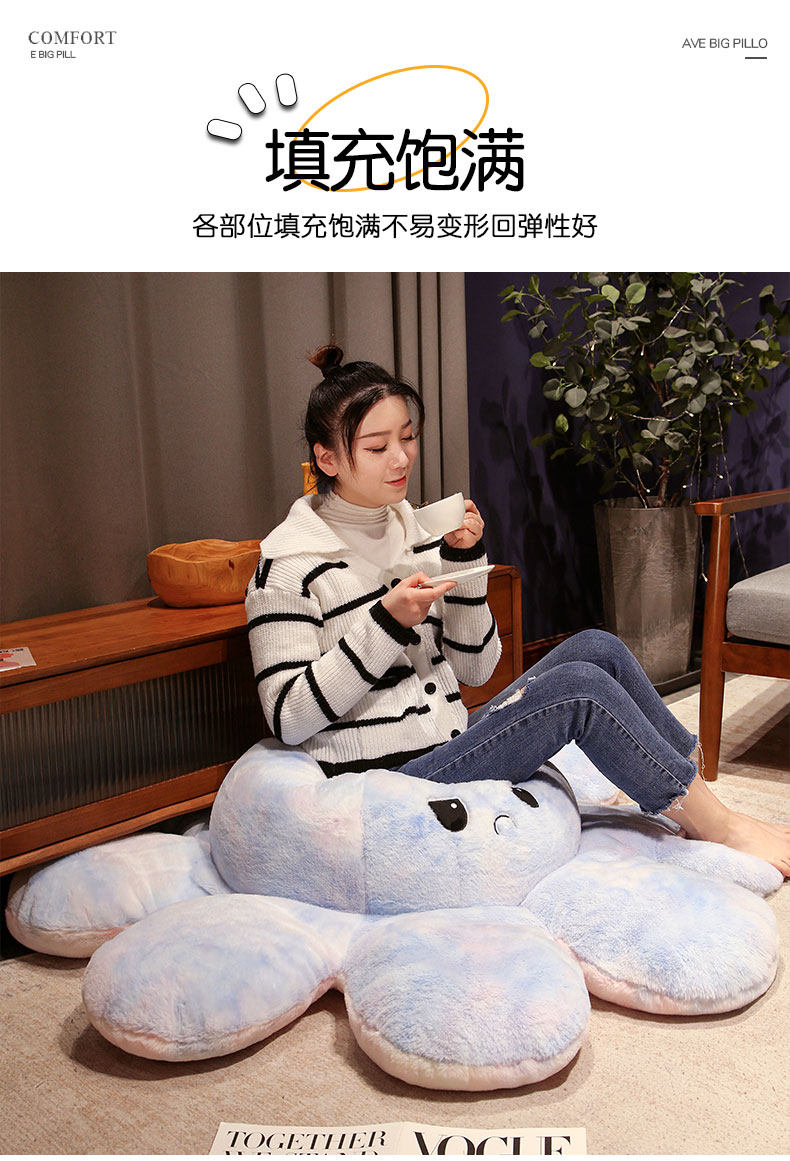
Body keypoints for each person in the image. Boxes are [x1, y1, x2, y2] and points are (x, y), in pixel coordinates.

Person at [246, 343, 790, 876]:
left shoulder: (413, 529)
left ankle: (693, 793)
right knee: (579, 690)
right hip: (391, 781)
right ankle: (719, 826)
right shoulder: (288, 566)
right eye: (376, 447)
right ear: (327, 458)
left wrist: (464, 561)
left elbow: (476, 669)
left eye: (407, 437)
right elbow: (289, 717)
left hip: (451, 740)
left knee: (598, 648)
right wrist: (384, 625)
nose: (402, 458)